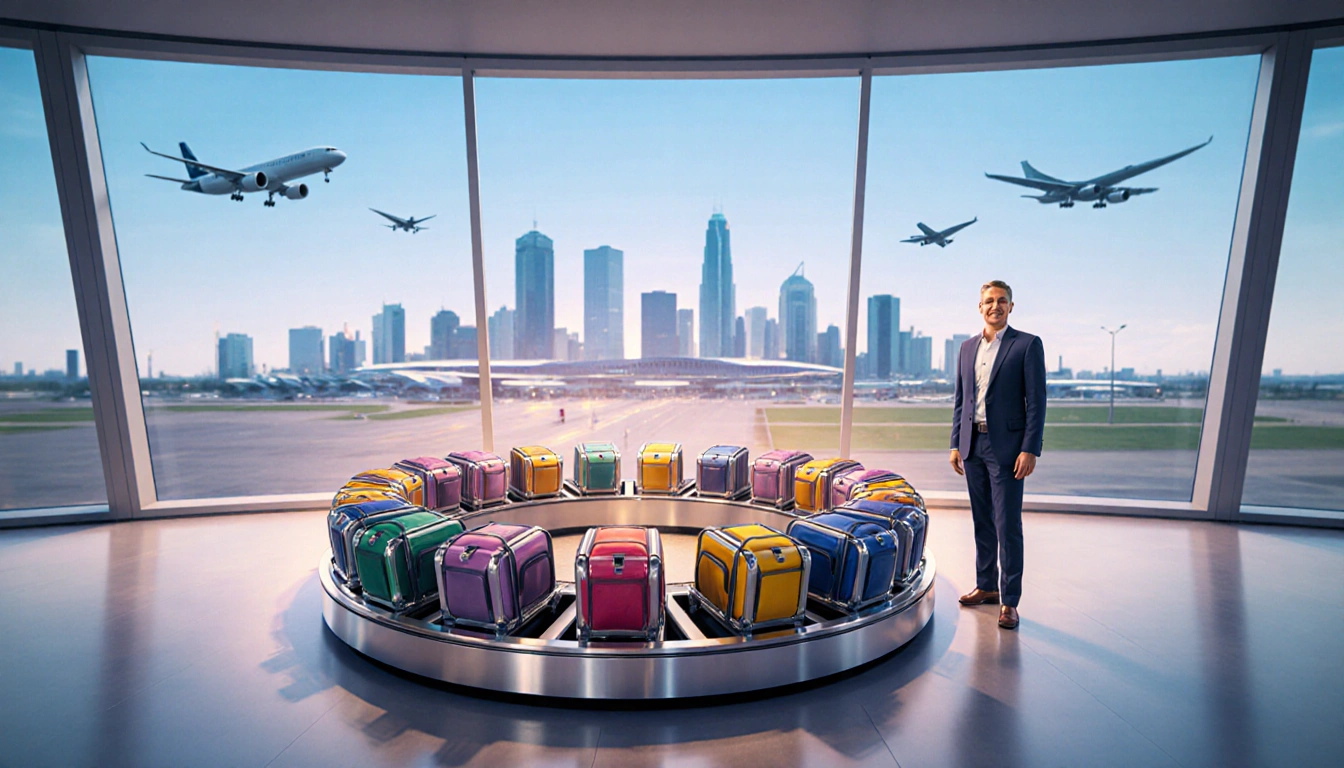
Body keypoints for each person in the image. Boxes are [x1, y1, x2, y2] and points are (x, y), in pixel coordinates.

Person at [949, 280, 1046, 630]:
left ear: (1010, 306)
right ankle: (987, 585)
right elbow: (961, 400)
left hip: (1007, 449)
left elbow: (1037, 402)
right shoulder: (966, 348)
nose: (995, 306)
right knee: (982, 521)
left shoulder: (1027, 345)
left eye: (1002, 300)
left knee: (1008, 525)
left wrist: (1029, 448)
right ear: (980, 307)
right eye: (989, 301)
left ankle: (1010, 601)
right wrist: (955, 443)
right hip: (972, 444)